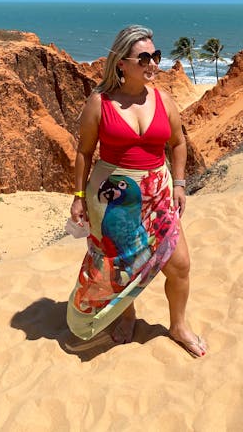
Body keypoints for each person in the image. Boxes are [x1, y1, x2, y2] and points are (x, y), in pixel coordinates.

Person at [66, 25, 207, 357]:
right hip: (113, 201)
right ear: (121, 63)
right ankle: (126, 316)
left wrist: (180, 182)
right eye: (143, 57)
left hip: (157, 194)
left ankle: (178, 325)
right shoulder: (100, 102)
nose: (153, 64)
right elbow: (84, 152)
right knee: (121, 269)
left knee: (181, 264)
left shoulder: (164, 99)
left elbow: (178, 143)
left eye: (155, 56)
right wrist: (78, 197)